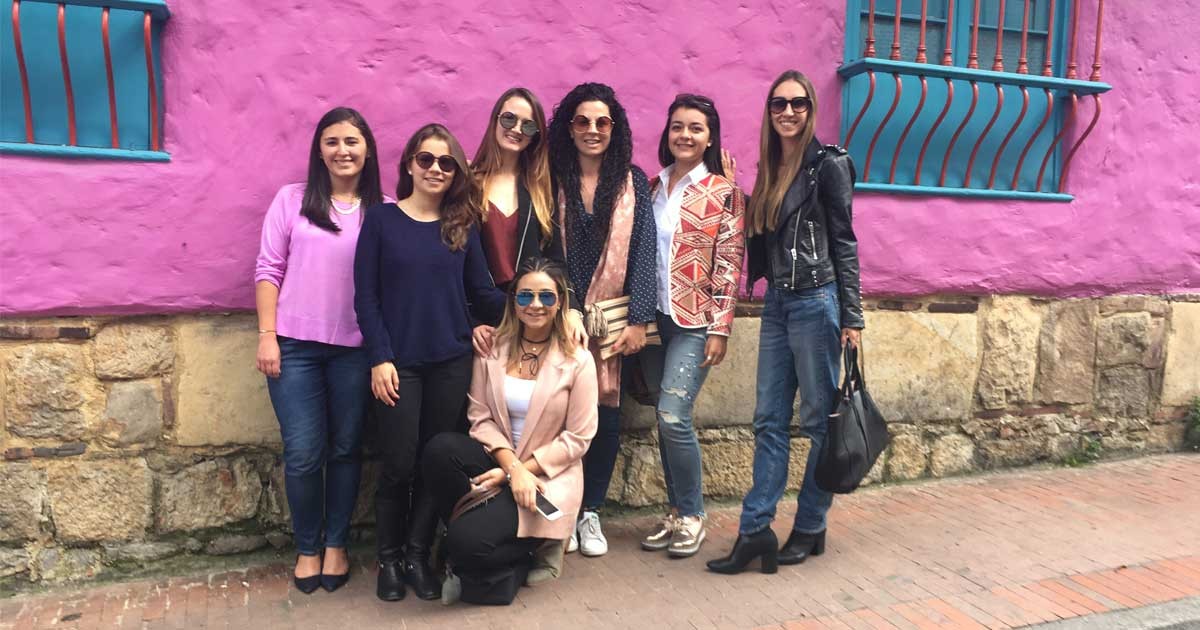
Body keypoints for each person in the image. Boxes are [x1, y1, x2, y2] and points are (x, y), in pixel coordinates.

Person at [706, 70, 864, 575]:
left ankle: (812, 523)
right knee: (769, 420)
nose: (789, 112)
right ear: (769, 112)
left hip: (818, 302)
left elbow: (844, 241)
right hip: (778, 305)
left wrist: (852, 317)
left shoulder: (829, 165)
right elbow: (765, 232)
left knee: (819, 422)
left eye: (798, 104)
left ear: (810, 108)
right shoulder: (771, 166)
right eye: (779, 105)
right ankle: (755, 531)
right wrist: (736, 193)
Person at [354, 123, 506, 601]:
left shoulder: (461, 224)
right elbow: (366, 297)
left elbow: (481, 291)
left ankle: (419, 556)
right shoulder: (381, 221)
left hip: (450, 362)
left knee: (432, 462)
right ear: (409, 165)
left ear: (456, 171)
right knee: (397, 464)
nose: (436, 169)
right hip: (399, 366)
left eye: (446, 162)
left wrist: (539, 312)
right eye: (426, 159)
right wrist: (380, 358)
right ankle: (390, 559)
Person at [255, 107, 384, 594]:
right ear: (319, 150)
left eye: (351, 140)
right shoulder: (291, 201)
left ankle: (336, 544)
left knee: (348, 449)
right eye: (331, 141)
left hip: (355, 350)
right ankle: (307, 547)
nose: (342, 150)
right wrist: (268, 334)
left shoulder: (383, 210)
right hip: (295, 349)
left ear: (367, 148)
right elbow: (268, 268)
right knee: (305, 453)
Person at [422, 257, 598, 604]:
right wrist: (510, 469)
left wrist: (517, 473)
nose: (535, 305)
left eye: (546, 297)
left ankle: (520, 550)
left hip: (546, 477)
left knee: (462, 543)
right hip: (500, 462)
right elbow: (480, 416)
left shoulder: (577, 360)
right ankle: (488, 554)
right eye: (525, 296)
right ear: (513, 301)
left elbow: (578, 438)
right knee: (439, 450)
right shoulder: (493, 349)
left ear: (560, 301)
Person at [546, 82, 656, 557]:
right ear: (568, 128)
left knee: (605, 418)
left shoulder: (632, 181)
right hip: (555, 319)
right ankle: (562, 512)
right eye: (583, 121)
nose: (593, 130)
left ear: (615, 128)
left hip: (610, 324)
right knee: (555, 417)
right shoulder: (550, 178)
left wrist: (638, 320)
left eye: (602, 122)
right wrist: (564, 307)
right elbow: (541, 248)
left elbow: (645, 251)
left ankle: (590, 512)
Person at [639, 94, 745, 558]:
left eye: (696, 128)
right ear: (667, 133)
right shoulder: (650, 187)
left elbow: (728, 262)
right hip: (653, 320)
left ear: (709, 137)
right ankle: (676, 510)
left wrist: (720, 326)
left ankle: (693, 515)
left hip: (694, 321)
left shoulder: (723, 192)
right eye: (677, 126)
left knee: (672, 416)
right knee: (663, 423)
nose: (685, 135)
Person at [469, 87, 586, 352]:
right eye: (509, 118)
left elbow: (555, 258)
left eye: (529, 125)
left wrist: (573, 310)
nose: (517, 129)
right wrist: (470, 322)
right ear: (495, 120)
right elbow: (452, 264)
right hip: (483, 325)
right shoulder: (468, 184)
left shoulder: (541, 189)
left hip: (531, 316)